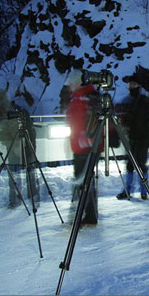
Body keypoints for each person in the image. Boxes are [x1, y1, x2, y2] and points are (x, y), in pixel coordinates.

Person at [0, 89, 40, 209]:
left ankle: (28, 199)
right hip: (15, 147)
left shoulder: (14, 112)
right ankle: (25, 198)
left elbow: (15, 132)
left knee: (27, 172)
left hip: (25, 145)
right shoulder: (7, 111)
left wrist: (2, 135)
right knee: (16, 173)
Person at [65, 68, 100, 225]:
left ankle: (85, 215)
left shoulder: (82, 100)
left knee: (83, 182)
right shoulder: (86, 98)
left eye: (72, 84)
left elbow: (80, 124)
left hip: (84, 147)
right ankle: (89, 214)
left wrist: (82, 141)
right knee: (86, 182)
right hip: (87, 146)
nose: (69, 86)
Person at [115, 76, 149, 200]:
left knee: (141, 164)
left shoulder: (144, 101)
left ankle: (144, 190)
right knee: (130, 164)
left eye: (133, 83)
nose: (130, 86)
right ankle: (129, 189)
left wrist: (147, 136)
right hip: (131, 137)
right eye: (129, 84)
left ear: (138, 85)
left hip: (142, 138)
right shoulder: (127, 101)